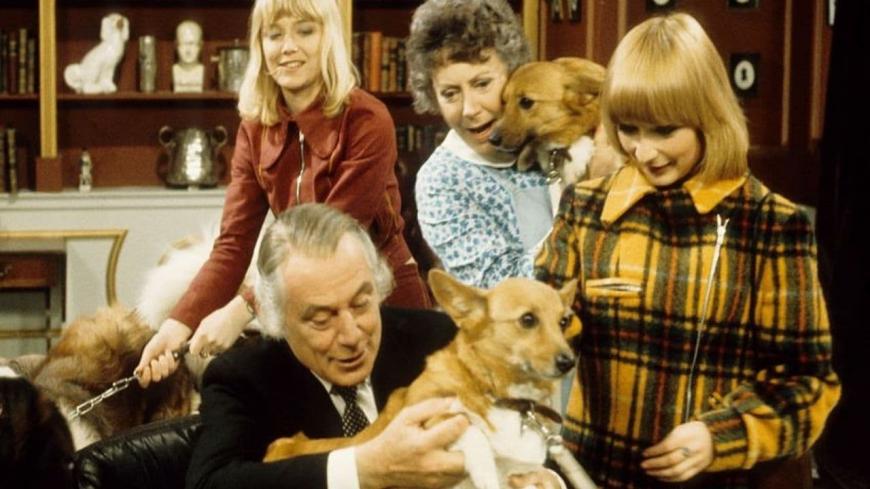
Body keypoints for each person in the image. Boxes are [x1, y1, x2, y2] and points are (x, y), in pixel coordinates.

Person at [535, 13, 841, 489]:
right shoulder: (586, 207)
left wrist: (720, 437)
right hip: (591, 474)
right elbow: (536, 331)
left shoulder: (772, 225)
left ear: (708, 117)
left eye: (664, 130)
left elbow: (807, 384)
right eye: (629, 129)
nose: (643, 152)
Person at [136, 0, 430, 386]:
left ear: (328, 38)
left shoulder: (368, 119)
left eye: (305, 31)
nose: (288, 47)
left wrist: (241, 309)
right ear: (260, 46)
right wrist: (175, 327)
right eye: (274, 35)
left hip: (381, 299)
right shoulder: (254, 127)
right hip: (308, 311)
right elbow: (233, 245)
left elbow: (329, 237)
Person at [185, 203, 558, 489]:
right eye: (322, 319)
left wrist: (538, 477)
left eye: (361, 304)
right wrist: (364, 468)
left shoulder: (439, 341)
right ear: (277, 319)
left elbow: (526, 436)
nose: (351, 336)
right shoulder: (243, 378)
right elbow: (208, 483)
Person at [406, 0, 551, 289]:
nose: (469, 109)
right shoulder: (441, 181)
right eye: (450, 94)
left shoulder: (550, 132)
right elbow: (502, 287)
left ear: (514, 73)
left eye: (482, 84)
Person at [172, 20, 205, 93]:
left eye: (192, 44)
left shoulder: (203, 71)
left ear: (201, 45)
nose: (188, 50)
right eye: (183, 44)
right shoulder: (172, 71)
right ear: (176, 45)